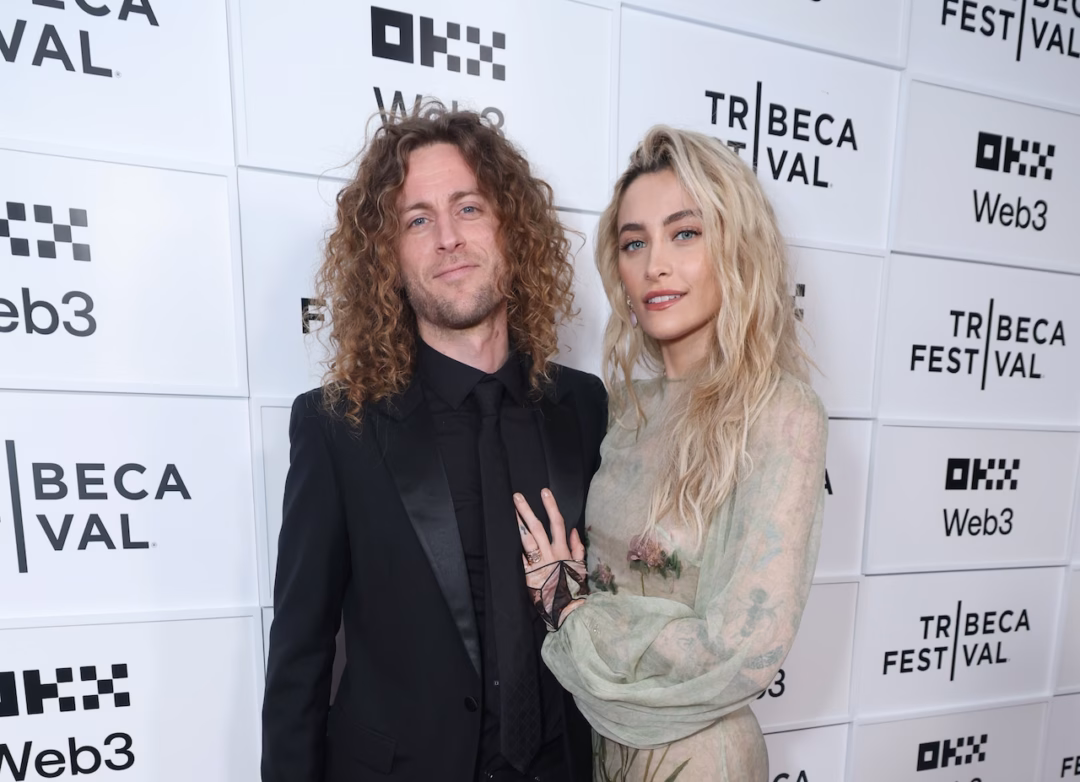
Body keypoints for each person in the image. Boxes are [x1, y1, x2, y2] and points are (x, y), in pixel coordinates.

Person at [261, 108, 607, 782]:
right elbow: (299, 657)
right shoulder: (338, 427)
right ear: (386, 255)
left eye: (468, 208)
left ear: (512, 227)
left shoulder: (587, 407)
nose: (447, 238)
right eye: (416, 220)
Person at [515, 126, 827, 781]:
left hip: (700, 755)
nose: (655, 263)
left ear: (736, 248)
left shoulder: (780, 413)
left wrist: (574, 615)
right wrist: (574, 595)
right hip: (602, 744)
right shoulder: (627, 407)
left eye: (685, 233)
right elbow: (610, 582)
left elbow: (742, 649)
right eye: (635, 242)